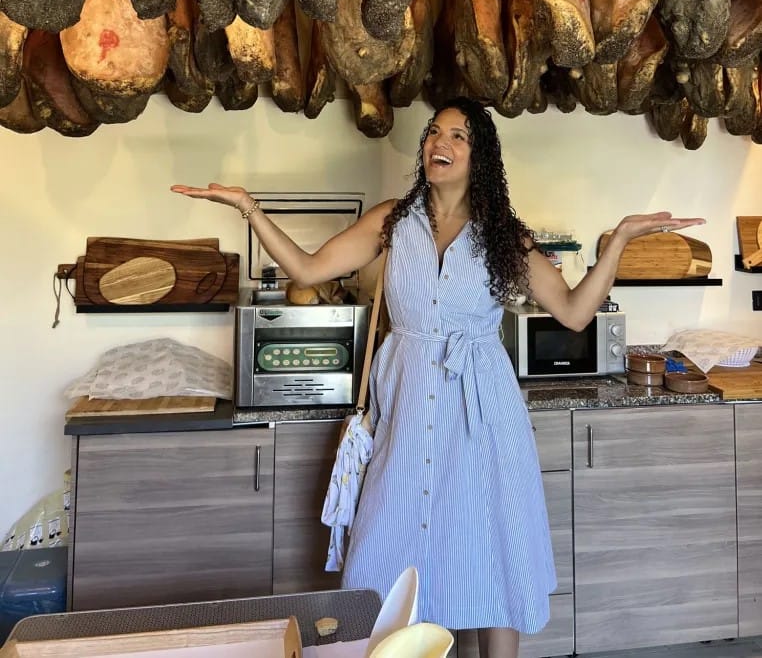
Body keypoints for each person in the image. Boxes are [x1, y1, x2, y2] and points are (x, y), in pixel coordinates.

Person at [171, 96, 704, 658]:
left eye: (458, 136)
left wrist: (618, 241)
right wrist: (248, 207)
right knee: (384, 550)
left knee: (490, 558)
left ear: (480, 157)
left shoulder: (502, 236)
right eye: (433, 132)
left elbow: (573, 311)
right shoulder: (392, 222)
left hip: (483, 420)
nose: (439, 143)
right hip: (407, 419)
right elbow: (307, 267)